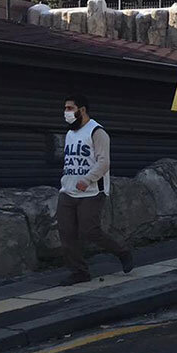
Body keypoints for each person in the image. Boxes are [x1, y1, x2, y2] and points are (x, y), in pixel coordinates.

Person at [57, 95, 134, 284]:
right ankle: (79, 272)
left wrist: (88, 179)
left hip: (91, 191)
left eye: (69, 108)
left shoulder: (97, 132)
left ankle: (122, 252)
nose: (66, 112)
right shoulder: (69, 134)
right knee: (66, 233)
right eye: (65, 108)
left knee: (89, 230)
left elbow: (104, 162)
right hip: (68, 190)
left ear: (81, 110)